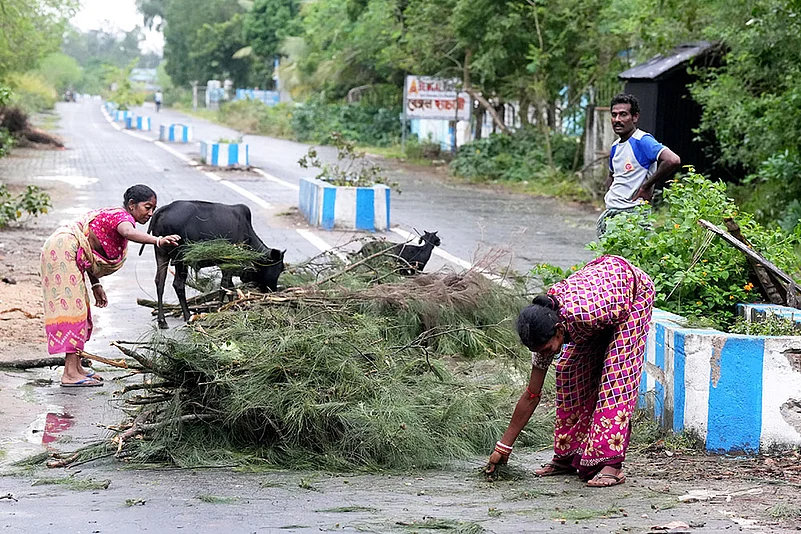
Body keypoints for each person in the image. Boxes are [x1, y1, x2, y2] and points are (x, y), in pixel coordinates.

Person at [485, 255, 654, 487]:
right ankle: (568, 456)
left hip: (631, 294)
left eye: (548, 349)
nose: (546, 354)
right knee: (568, 372)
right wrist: (503, 447)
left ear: (559, 330)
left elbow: (614, 328)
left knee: (615, 378)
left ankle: (611, 465)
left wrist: (607, 356)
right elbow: (532, 394)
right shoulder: (545, 329)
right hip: (601, 302)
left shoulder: (587, 314)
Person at [41, 185, 181, 387]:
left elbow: (88, 252)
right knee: (73, 311)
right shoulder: (122, 218)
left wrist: (96, 284)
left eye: (153, 209)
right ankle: (70, 374)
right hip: (63, 251)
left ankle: (76, 368)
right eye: (147, 207)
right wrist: (158, 241)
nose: (151, 213)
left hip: (70, 252)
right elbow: (128, 232)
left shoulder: (117, 215)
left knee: (82, 310)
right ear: (132, 205)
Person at [597, 93, 681, 238]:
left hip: (633, 214)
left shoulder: (642, 140)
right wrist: (609, 195)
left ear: (635, 117)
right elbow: (612, 176)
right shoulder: (615, 146)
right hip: (612, 213)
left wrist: (646, 187)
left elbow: (672, 160)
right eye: (614, 115)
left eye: (623, 114)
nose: (617, 120)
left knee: (635, 251)